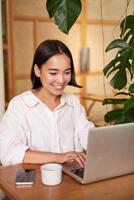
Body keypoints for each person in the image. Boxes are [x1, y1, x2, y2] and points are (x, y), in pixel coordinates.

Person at [0, 39, 94, 166]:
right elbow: (8, 152)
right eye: (53, 73)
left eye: (67, 72)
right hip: (38, 180)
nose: (61, 80)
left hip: (71, 179)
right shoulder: (19, 106)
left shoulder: (73, 102)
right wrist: (59, 157)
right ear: (37, 70)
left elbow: (88, 136)